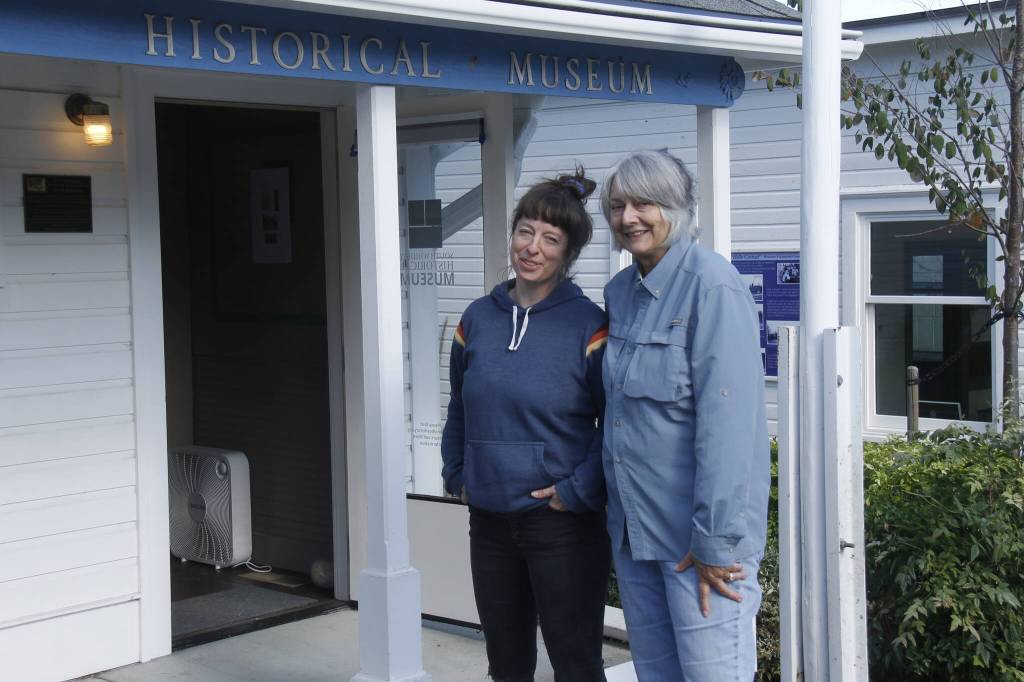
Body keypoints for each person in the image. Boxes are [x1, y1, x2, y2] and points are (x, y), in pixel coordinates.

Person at [600, 150, 770, 681]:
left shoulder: (713, 286)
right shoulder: (620, 293)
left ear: (677, 208)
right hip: (637, 536)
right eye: (618, 205)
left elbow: (730, 428)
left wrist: (715, 543)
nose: (629, 217)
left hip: (702, 550)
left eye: (645, 203)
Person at [441, 168, 610, 682]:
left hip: (562, 526)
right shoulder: (477, 318)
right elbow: (459, 407)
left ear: (568, 254)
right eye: (525, 232)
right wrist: (457, 475)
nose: (532, 248)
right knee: (507, 665)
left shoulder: (590, 326)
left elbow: (617, 424)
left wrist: (576, 490)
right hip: (489, 522)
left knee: (575, 663)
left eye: (550, 239)